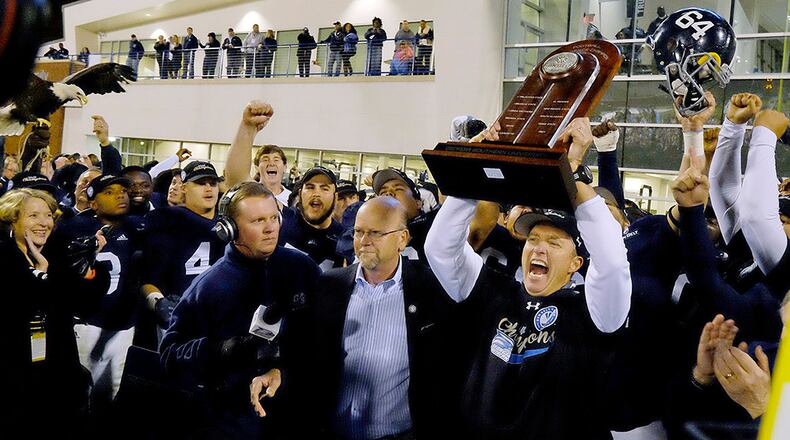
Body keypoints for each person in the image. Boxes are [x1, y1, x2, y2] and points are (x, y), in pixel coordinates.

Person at [424, 117, 631, 439]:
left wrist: (572, 173)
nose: (539, 249)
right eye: (533, 240)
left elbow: (613, 264)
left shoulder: (595, 312)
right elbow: (440, 248)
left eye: (553, 242)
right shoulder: (495, 290)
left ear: (576, 263)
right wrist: (473, 168)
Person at [161, 182, 320, 438]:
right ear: (230, 230)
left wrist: (282, 369)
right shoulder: (207, 287)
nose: (271, 229)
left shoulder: (302, 268)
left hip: (295, 416)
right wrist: (219, 350)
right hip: (231, 422)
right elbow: (170, 355)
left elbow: (319, 339)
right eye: (258, 221)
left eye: (273, 218)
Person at [307, 196, 461, 439]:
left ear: (402, 238)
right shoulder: (329, 285)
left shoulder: (431, 292)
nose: (363, 241)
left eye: (376, 233)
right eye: (358, 232)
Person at [0, 188, 110, 435]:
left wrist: (89, 269)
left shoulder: (56, 255)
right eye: (33, 216)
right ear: (13, 219)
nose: (43, 223)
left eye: (48, 215)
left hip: (59, 373)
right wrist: (41, 274)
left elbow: (84, 304)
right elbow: (22, 305)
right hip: (15, 376)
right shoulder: (4, 258)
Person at [46, 174, 144, 425]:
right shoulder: (71, 230)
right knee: (80, 389)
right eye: (109, 192)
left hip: (123, 323)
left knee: (112, 392)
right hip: (85, 321)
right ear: (93, 203)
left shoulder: (138, 227)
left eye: (123, 190)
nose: (120, 195)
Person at [140, 161, 226, 344]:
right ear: (184, 187)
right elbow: (148, 279)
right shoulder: (166, 221)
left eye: (213, 183)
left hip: (220, 319)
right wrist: (158, 303)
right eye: (201, 183)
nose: (209, 188)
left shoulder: (228, 224)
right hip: (179, 319)